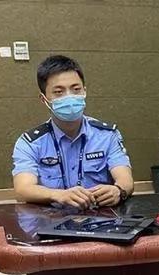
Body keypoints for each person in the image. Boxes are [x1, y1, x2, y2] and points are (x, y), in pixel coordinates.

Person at [12, 55, 134, 209]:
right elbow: (22, 190)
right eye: (59, 92)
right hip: (51, 218)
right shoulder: (30, 143)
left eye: (76, 90)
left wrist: (118, 191)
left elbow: (126, 180)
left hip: (100, 216)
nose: (69, 97)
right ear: (44, 99)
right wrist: (58, 195)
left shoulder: (107, 135)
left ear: (84, 92)